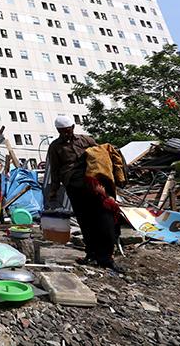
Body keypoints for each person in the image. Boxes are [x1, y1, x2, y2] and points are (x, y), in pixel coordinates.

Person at [46, 116, 123, 272]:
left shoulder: (86, 140)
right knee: (86, 222)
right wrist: (53, 190)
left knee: (106, 220)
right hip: (75, 187)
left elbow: (102, 156)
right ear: (58, 131)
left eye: (68, 131)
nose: (66, 134)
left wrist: (114, 176)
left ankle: (106, 258)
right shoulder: (55, 147)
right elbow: (55, 170)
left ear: (73, 127)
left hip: (95, 187)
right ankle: (92, 254)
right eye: (62, 132)